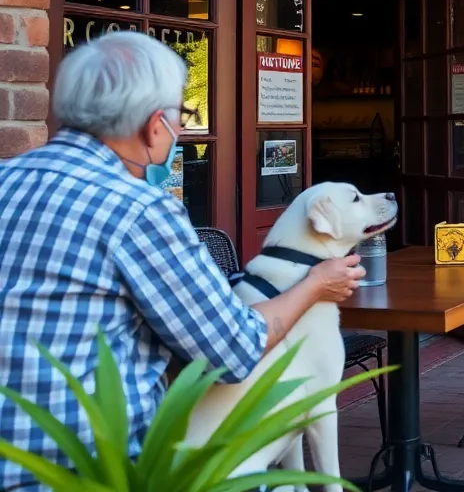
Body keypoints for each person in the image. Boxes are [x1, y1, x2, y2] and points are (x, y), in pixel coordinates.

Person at [0, 32, 365, 490]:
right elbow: (232, 350)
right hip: (89, 470)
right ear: (155, 126)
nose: (182, 130)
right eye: (181, 116)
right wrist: (314, 285)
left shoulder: (6, 177)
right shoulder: (139, 209)